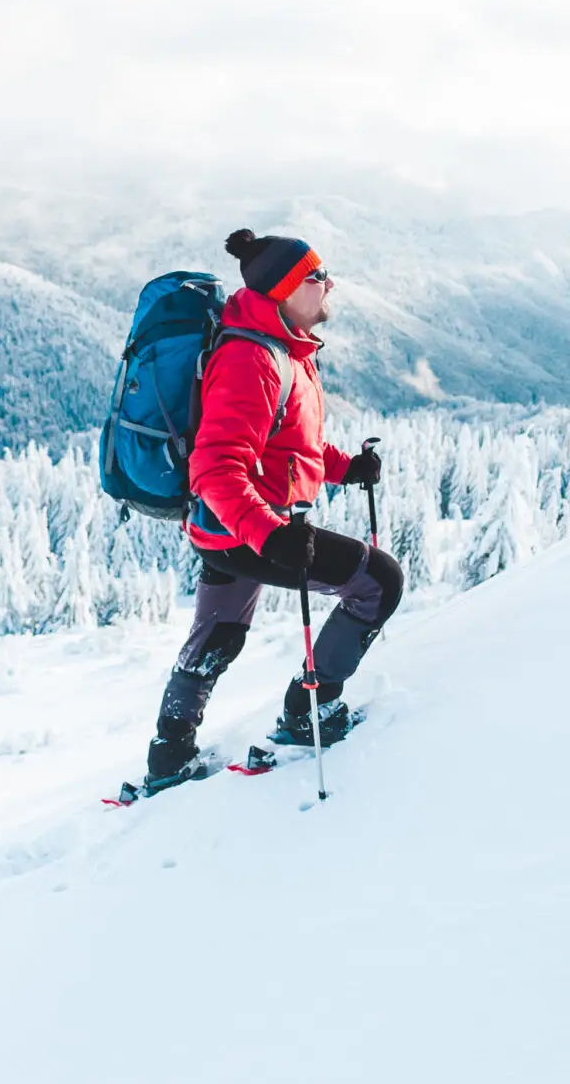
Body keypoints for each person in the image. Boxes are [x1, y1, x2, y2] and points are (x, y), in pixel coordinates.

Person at [141, 228, 401, 793]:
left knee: (217, 635)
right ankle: (309, 710)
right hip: (246, 527)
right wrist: (271, 535)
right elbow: (215, 467)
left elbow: (287, 445)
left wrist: (344, 467)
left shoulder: (285, 349)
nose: (328, 283)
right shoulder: (252, 357)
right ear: (283, 289)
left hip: (228, 526)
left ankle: (169, 756)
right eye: (315, 276)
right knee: (378, 581)